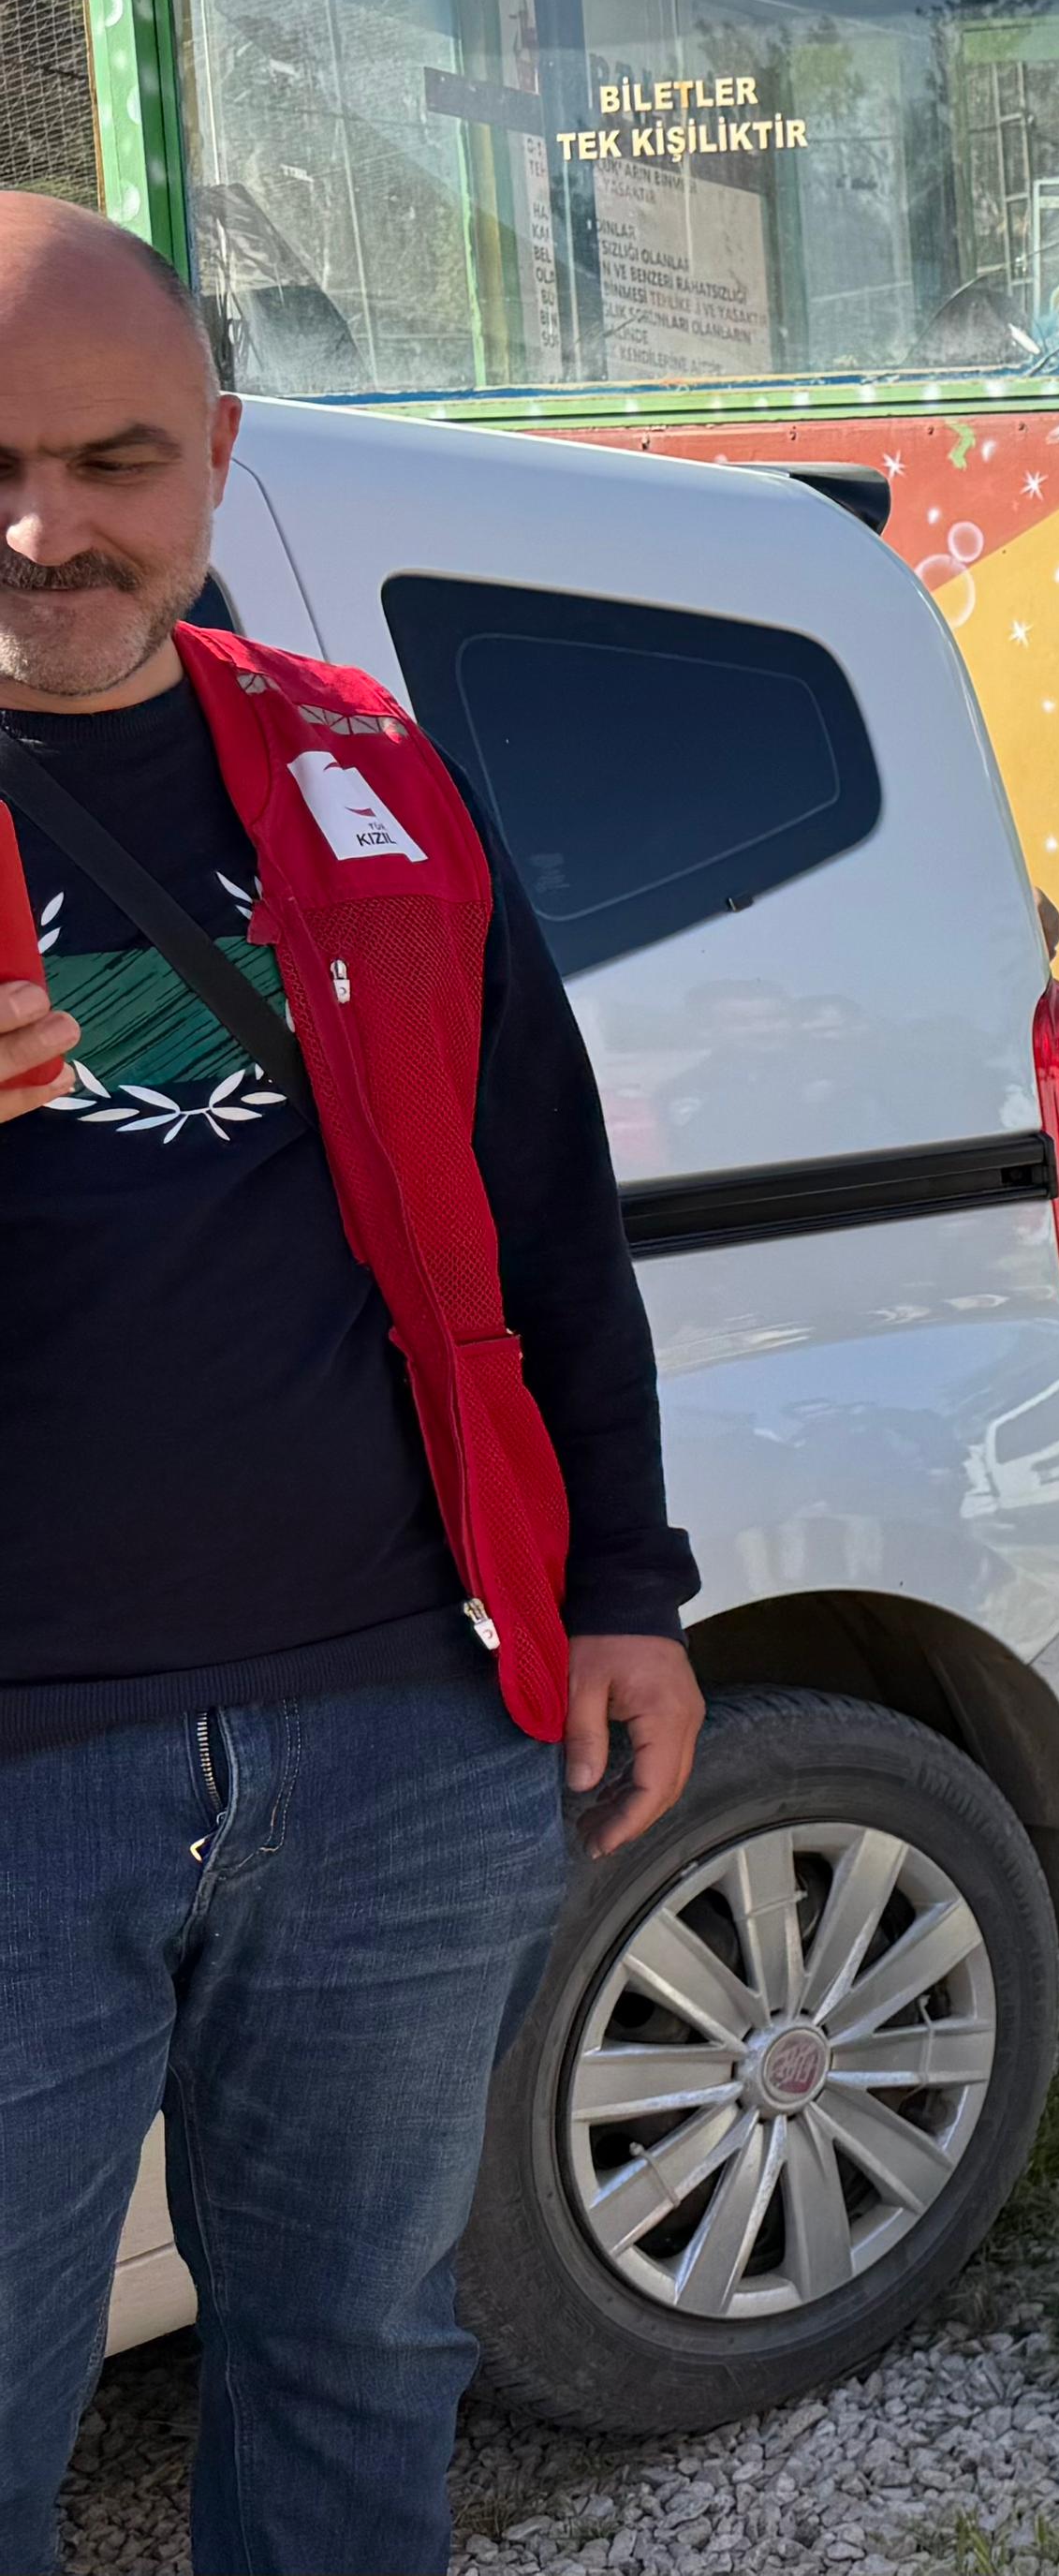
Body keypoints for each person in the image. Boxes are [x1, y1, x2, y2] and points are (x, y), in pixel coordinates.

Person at [0, 197, 705, 2575]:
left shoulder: (361, 757)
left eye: (113, 461)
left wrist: (625, 1584)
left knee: (358, 2361)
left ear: (214, 453)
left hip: (405, 1730)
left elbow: (541, 1203)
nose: (48, 530)